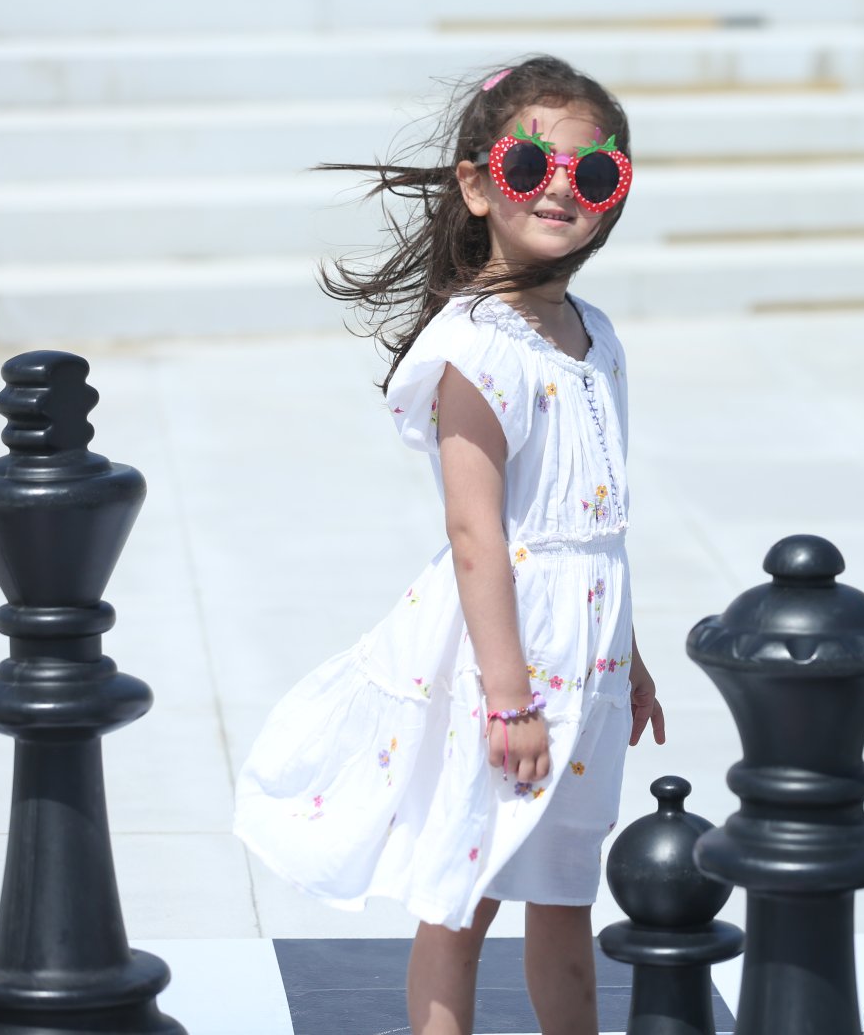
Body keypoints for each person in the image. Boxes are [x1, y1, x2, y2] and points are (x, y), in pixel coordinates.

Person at [233, 55, 664, 1035]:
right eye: (531, 165)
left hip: (587, 654)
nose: (565, 185)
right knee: (464, 889)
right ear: (477, 184)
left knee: (565, 886)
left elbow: (599, 527)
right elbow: (477, 535)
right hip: (505, 660)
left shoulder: (595, 334)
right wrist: (509, 698)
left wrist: (628, 656)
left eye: (596, 174)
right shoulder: (472, 345)